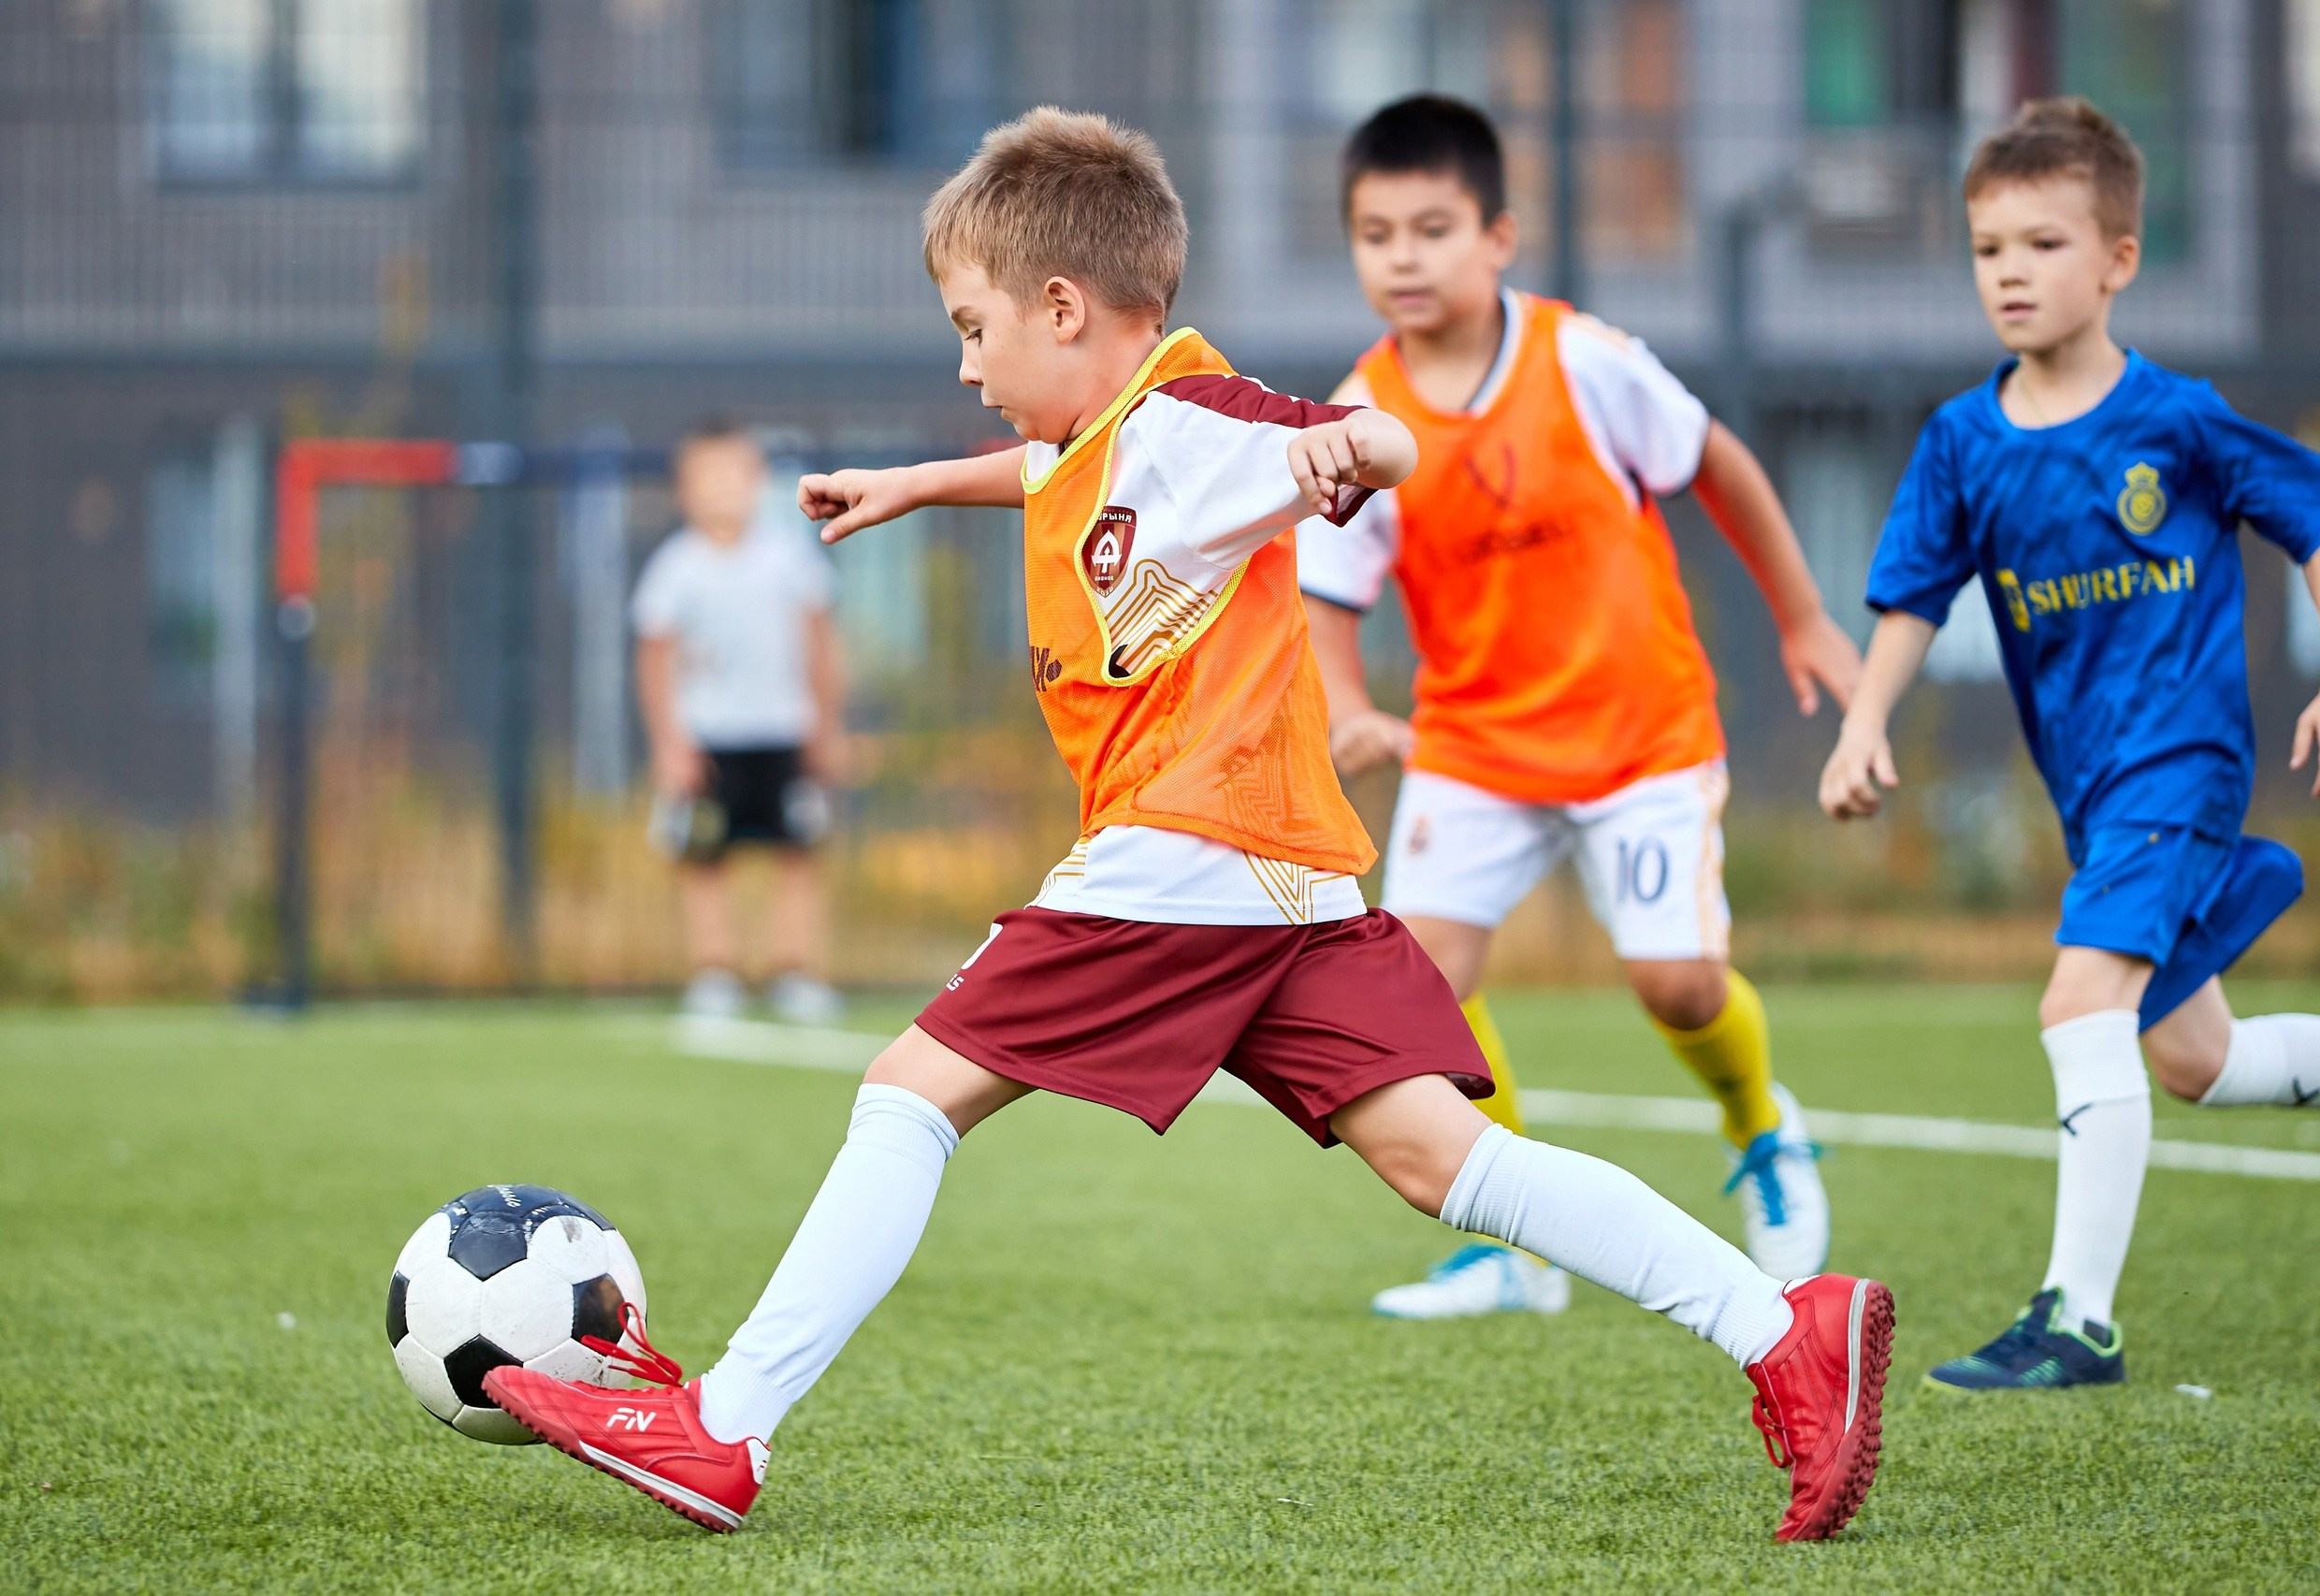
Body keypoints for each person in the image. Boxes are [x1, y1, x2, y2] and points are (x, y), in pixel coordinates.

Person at [486, 108, 1893, 1544]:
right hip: (1277, 873)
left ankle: (726, 1428)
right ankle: (1786, 1326)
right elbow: (1057, 474)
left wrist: (1362, 451)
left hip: (1190, 848)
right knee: (1444, 1160)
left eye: (974, 332)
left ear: (1061, 307)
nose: (967, 368)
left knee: (911, 1090)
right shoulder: (1106, 430)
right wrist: (915, 485)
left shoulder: (1193, 418)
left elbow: (1363, 436)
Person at [1820, 97, 2320, 1393]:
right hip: (2092, 788)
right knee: (2200, 1059)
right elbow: (1913, 597)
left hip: (2178, 762)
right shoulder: (1963, 440)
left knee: (2081, 1005)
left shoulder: (2176, 419)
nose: (2010, 272)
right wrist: (1863, 725)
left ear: (2117, 260)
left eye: (2042, 243)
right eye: (1987, 249)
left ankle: (2078, 1319)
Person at [1297, 96, 1858, 1317]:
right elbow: (1326, 591)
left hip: (1637, 733)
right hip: (1474, 744)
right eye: (1376, 231)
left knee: (1679, 986)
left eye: (1432, 227)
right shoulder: (1356, 418)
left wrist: (1804, 614)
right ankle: (1517, 1246)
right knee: (1422, 994)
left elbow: (1720, 463)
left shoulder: (1583, 359)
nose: (1403, 254)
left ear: (1499, 236)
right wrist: (1345, 704)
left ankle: (1762, 1125)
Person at [631, 419, 848, 1024]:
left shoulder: (788, 557)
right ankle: (714, 971)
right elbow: (655, 659)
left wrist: (826, 729)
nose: (722, 489)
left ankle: (794, 970)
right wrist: (669, 744)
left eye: (734, 474)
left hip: (785, 733)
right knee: (704, 858)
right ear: (683, 489)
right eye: (707, 477)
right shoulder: (675, 567)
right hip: (708, 740)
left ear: (757, 481)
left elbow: (821, 644)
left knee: (798, 854)